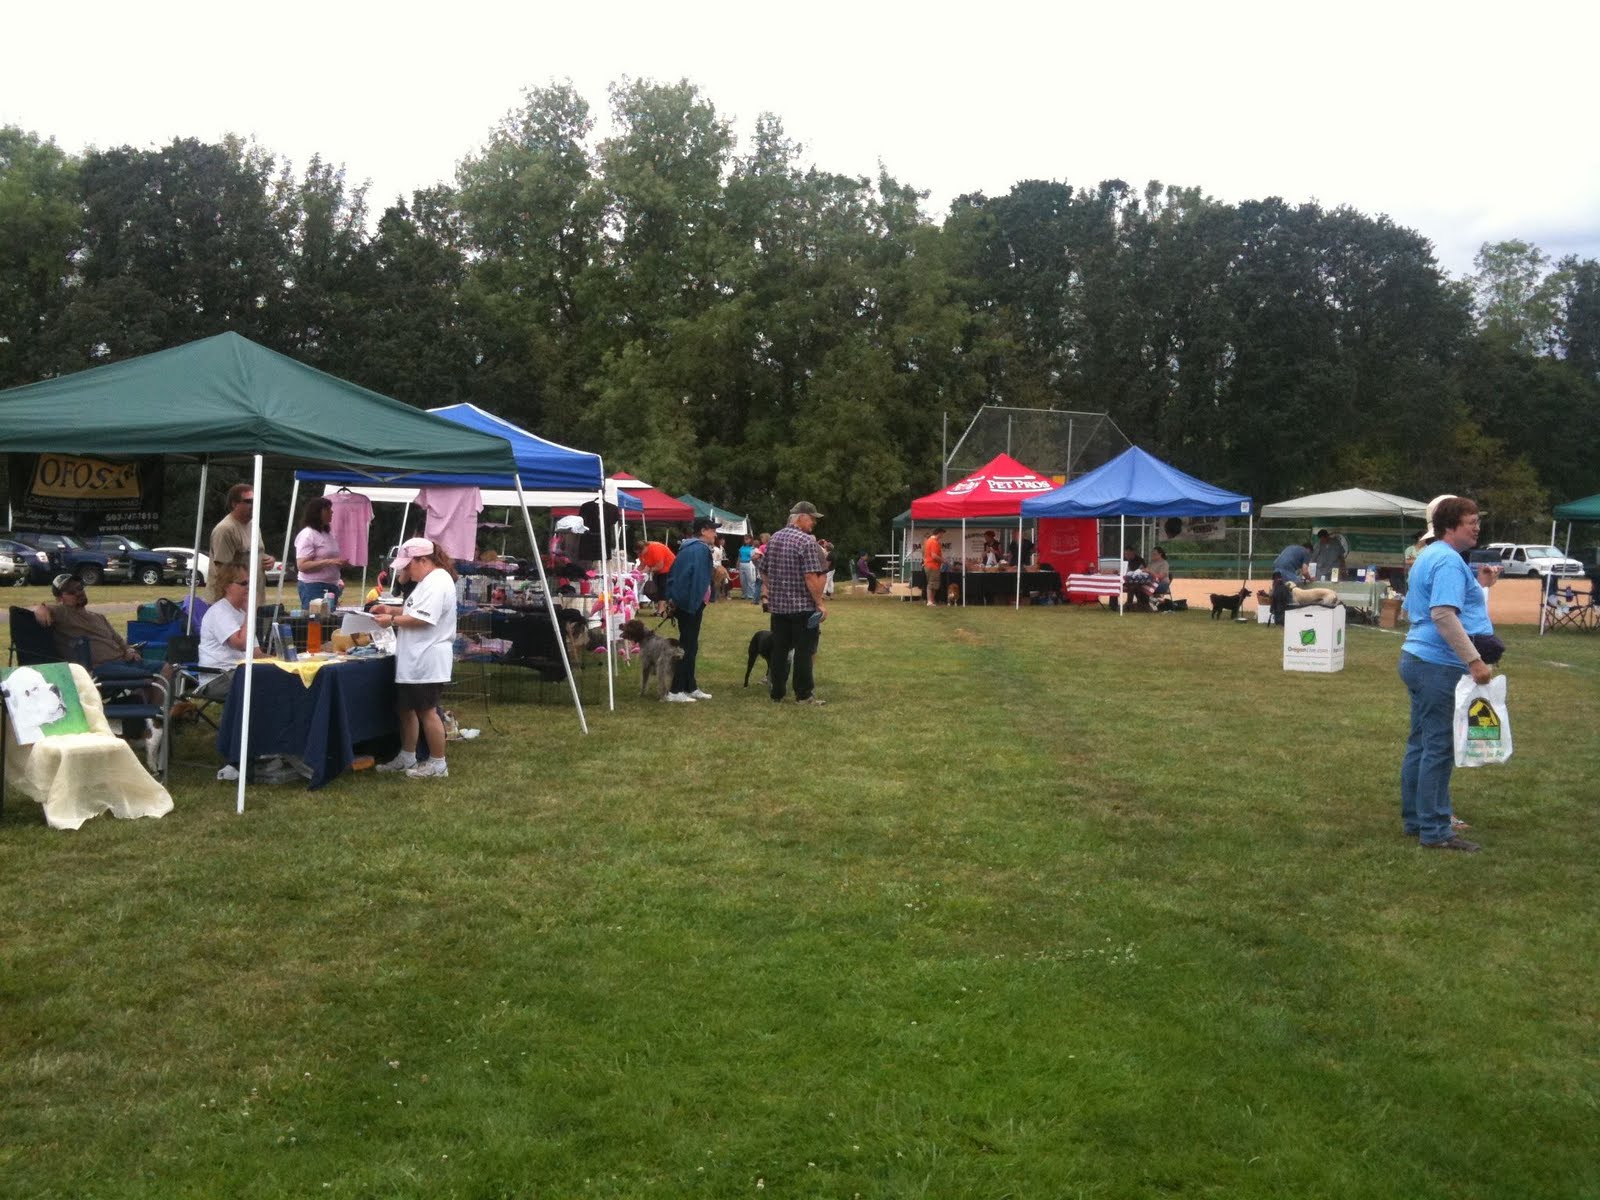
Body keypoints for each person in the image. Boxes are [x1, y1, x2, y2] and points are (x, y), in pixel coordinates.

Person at [1398, 495, 1498, 853]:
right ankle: (1436, 830)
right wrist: (1474, 660)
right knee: (1439, 748)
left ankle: (1416, 819)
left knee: (1421, 744)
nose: (1477, 528)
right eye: (1471, 522)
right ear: (1451, 525)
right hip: (1438, 666)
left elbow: (1415, 609)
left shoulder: (1428, 557)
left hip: (1418, 659)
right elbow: (1443, 614)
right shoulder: (1448, 561)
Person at [34, 573, 165, 763]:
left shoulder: (98, 617)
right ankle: (150, 727)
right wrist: (42, 608)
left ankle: (154, 721)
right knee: (150, 678)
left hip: (124, 661)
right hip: (101, 669)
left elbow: (119, 640)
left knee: (169, 668)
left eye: (80, 588)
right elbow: (40, 610)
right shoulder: (63, 613)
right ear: (60, 598)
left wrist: (128, 650)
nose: (78, 593)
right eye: (71, 591)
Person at [370, 537, 458, 780]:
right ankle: (407, 755)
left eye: (409, 566)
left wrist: (392, 620)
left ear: (423, 560)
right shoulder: (427, 581)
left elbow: (424, 618)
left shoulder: (437, 582)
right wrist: (391, 610)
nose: (406, 571)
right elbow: (414, 611)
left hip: (427, 657)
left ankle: (438, 763)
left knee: (427, 710)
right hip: (415, 657)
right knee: (406, 709)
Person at [761, 501, 829, 705]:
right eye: (812, 519)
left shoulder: (774, 539)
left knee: (780, 651)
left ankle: (777, 693)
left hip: (779, 608)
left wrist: (772, 590)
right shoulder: (806, 541)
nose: (813, 524)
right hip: (802, 608)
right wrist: (820, 603)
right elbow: (810, 576)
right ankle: (803, 694)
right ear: (800, 517)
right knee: (803, 652)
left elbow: (763, 570)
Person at [664, 517, 717, 702]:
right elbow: (695, 579)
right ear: (703, 531)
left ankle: (690, 686)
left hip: (686, 603)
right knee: (687, 647)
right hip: (690, 604)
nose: (715, 534)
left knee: (691, 646)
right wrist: (694, 603)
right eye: (712, 530)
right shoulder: (699, 549)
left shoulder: (688, 548)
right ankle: (675, 690)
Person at [209, 482, 275, 602]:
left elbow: (254, 552)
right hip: (231, 601)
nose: (253, 505)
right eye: (248, 501)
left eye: (255, 501)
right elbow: (223, 569)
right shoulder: (225, 529)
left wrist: (268, 560)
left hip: (254, 597)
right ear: (234, 504)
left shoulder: (254, 525)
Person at [293, 495, 348, 610]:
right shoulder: (308, 534)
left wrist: (341, 564)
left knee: (328, 622)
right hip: (313, 586)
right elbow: (302, 565)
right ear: (317, 513)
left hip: (332, 586)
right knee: (316, 621)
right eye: (327, 509)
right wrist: (329, 561)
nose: (332, 512)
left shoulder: (328, 534)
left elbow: (331, 559)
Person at [200, 575, 260, 670]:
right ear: (227, 586)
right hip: (220, 677)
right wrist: (251, 611)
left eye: (250, 583)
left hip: (240, 673)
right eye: (243, 583)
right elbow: (241, 644)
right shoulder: (219, 611)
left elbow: (256, 654)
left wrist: (282, 664)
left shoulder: (242, 614)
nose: (249, 587)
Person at [923, 527, 946, 607]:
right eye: (942, 534)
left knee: (934, 584)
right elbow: (934, 556)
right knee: (931, 584)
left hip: (932, 565)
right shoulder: (933, 542)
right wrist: (943, 560)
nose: (942, 536)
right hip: (932, 566)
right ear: (939, 533)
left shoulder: (930, 541)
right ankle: (929, 601)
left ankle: (932, 600)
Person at [738, 534, 758, 601]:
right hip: (742, 563)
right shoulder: (742, 547)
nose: (745, 540)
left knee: (750, 579)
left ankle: (751, 594)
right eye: (745, 539)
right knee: (742, 580)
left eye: (747, 539)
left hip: (749, 564)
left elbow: (754, 557)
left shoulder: (752, 548)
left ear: (750, 539)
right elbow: (739, 556)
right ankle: (744, 594)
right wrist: (737, 564)